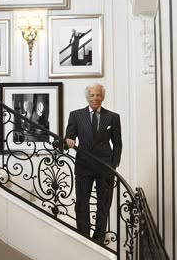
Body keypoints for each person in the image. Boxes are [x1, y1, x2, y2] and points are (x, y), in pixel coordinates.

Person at [65, 83, 122, 244]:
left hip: (105, 167)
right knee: (82, 203)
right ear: (87, 97)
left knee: (103, 205)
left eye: (98, 95)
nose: (95, 98)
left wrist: (114, 164)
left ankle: (98, 239)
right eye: (92, 95)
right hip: (84, 166)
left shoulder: (112, 117)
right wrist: (67, 141)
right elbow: (68, 137)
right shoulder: (76, 115)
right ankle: (83, 238)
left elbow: (118, 143)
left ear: (102, 97)